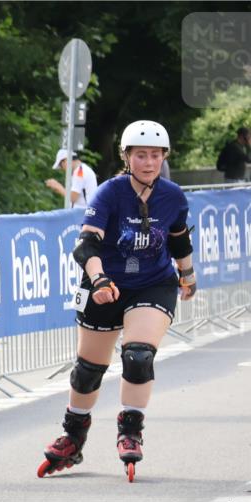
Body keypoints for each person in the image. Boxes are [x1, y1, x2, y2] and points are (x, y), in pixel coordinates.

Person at [37, 120, 196, 483]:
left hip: (153, 284)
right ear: (126, 157)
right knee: (88, 370)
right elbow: (86, 245)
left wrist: (187, 275)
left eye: (156, 155)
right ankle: (73, 437)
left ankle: (130, 429)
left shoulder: (173, 196)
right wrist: (99, 279)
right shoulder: (109, 193)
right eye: (141, 155)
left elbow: (178, 238)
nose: (149, 163)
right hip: (103, 282)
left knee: (138, 355)